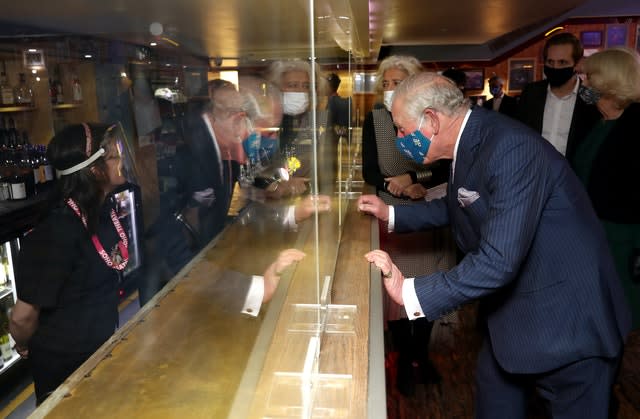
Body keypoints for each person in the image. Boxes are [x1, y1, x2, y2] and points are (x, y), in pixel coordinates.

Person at [358, 72, 631, 418]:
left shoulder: (509, 147)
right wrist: (392, 214)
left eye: (401, 129)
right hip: (515, 320)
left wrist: (411, 292)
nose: (399, 139)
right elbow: (457, 202)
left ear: (431, 120)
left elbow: (497, 261)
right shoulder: (473, 139)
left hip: (568, 325)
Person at [8, 123, 130, 405]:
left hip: (98, 352)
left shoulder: (103, 209)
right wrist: (24, 343)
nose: (121, 158)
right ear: (94, 169)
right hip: (65, 370)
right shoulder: (56, 230)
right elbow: (21, 318)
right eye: (114, 154)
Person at [362, 55, 455, 396]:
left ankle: (421, 356)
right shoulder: (375, 119)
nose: (389, 90)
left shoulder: (433, 118)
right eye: (384, 83)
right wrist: (394, 186)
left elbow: (446, 165)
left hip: (430, 209)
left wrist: (415, 178)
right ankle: (403, 360)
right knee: (397, 296)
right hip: (394, 213)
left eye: (396, 83)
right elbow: (370, 171)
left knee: (428, 290)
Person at [570, 47, 640, 329]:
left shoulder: (636, 124)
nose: (583, 83)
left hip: (623, 239)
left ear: (609, 81)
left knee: (622, 315)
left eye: (590, 77)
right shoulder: (599, 122)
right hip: (594, 234)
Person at [517, 32, 600, 159]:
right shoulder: (531, 93)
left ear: (577, 64)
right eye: (550, 62)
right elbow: (518, 133)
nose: (555, 68)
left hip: (572, 175)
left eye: (562, 62)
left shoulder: (590, 98)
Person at [265, 59, 328, 197]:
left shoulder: (316, 123)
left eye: (305, 86)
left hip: (308, 200)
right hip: (271, 205)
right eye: (292, 85)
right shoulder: (266, 124)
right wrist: (279, 183)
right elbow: (252, 174)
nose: (300, 91)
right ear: (277, 89)